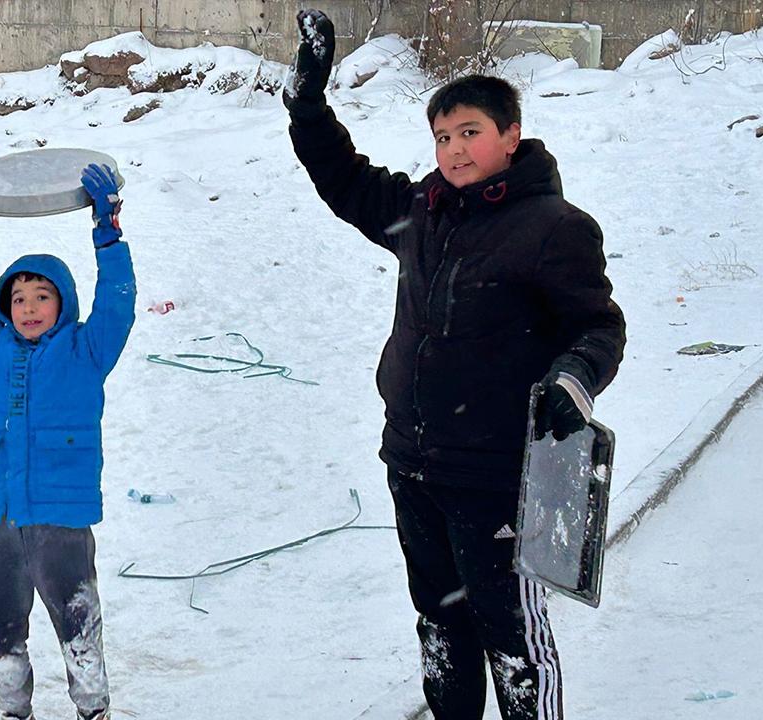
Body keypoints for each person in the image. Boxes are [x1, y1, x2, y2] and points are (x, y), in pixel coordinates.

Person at [284, 11, 626, 720]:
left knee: (512, 632)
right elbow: (344, 179)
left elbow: (597, 325)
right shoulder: (424, 211)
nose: (454, 149)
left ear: (511, 135)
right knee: (440, 623)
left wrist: (572, 380)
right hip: (415, 461)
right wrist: (308, 106)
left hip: (498, 474)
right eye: (442, 137)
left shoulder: (553, 228)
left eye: (470, 132)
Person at [0, 163, 135, 720]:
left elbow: (118, 301)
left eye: (41, 296)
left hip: (61, 518)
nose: (27, 308)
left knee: (78, 624)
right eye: (19, 298)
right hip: (1, 515)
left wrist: (107, 233)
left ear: (63, 302)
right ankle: (12, 709)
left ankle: (92, 708)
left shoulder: (86, 350)